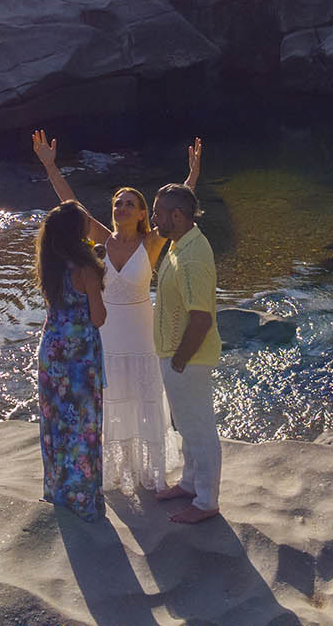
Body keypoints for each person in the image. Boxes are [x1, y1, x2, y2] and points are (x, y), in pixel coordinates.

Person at [31, 130, 201, 493]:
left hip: (142, 333)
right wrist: (50, 165)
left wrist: (192, 177)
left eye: (128, 204)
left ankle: (151, 474)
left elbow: (178, 212)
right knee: (111, 404)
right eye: (117, 203)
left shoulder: (152, 242)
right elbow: (70, 204)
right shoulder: (101, 240)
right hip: (106, 335)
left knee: (145, 399)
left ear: (142, 213)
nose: (120, 208)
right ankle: (115, 471)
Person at [150, 183, 223, 524]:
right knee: (188, 427)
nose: (152, 218)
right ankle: (191, 484)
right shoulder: (181, 243)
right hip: (176, 355)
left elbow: (201, 317)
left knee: (199, 430)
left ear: (176, 216)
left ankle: (206, 501)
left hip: (187, 359)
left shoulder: (191, 255)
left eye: (157, 212)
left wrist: (179, 359)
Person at [34, 200, 108, 522]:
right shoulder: (86, 268)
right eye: (86, 219)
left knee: (57, 424)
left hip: (52, 353)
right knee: (84, 426)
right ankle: (84, 498)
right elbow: (99, 317)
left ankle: (60, 491)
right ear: (78, 231)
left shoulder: (49, 262)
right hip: (79, 358)